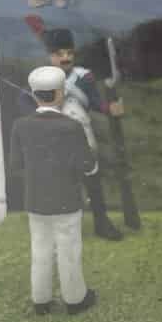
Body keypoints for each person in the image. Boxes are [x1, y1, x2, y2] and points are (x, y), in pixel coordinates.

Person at [8, 66, 97, 315]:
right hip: (67, 200)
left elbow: (16, 166)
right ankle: (75, 299)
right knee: (69, 250)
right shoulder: (72, 126)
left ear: (34, 94)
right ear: (60, 94)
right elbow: (88, 165)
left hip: (35, 200)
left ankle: (41, 300)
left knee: (40, 248)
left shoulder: (20, 125)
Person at [43, 27, 130, 238]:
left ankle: (102, 223)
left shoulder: (84, 77)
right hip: (55, 137)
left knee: (92, 179)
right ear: (51, 56)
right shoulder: (42, 78)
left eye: (69, 53)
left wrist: (110, 109)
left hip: (83, 133)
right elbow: (27, 104)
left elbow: (96, 102)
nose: (65, 58)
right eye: (60, 54)